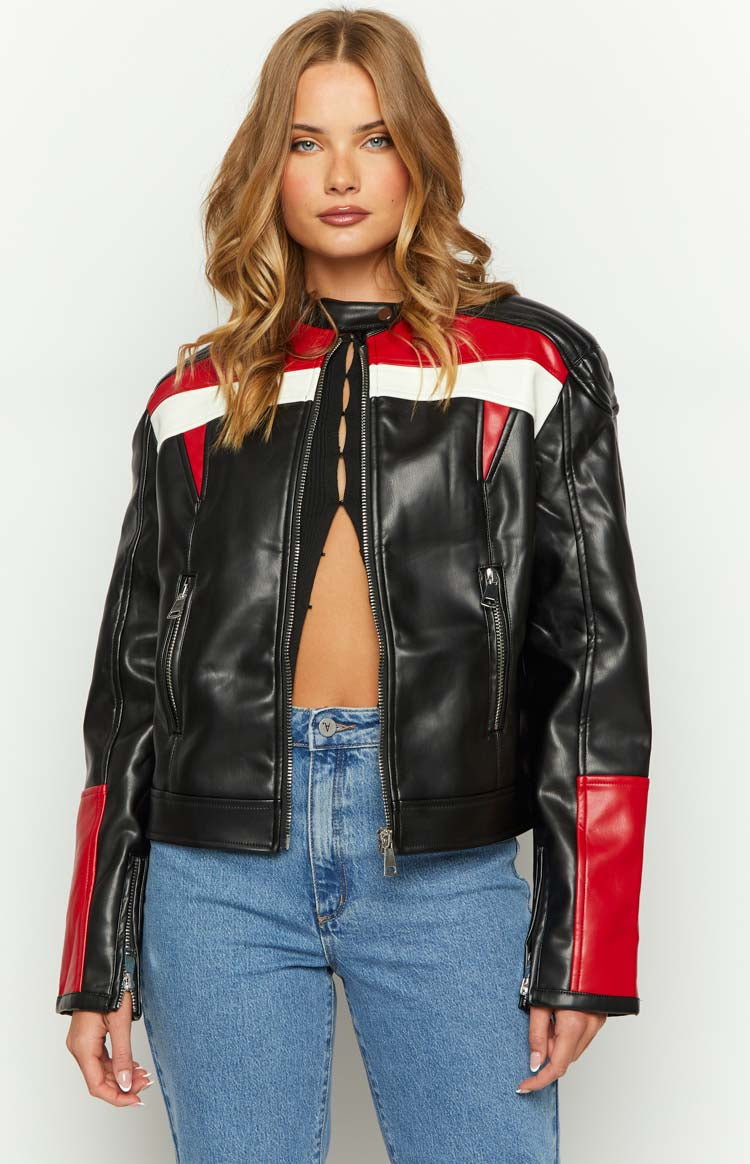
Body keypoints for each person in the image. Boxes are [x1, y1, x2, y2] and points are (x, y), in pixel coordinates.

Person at [56, 8, 652, 1162]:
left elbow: (595, 668)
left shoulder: (531, 367)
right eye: (305, 141)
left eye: (374, 138)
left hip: (445, 868)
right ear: (266, 167)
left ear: (418, 154)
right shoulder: (194, 396)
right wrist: (97, 957)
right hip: (216, 873)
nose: (340, 175)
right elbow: (130, 694)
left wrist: (585, 950)